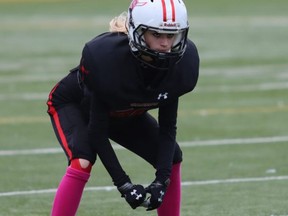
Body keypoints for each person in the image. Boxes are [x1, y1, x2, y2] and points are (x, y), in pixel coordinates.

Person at [46, 0, 199, 215]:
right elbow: (97, 132)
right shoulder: (107, 62)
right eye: (157, 35)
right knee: (83, 160)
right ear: (138, 32)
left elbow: (168, 128)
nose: (165, 44)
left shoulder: (180, 66)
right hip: (77, 105)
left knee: (171, 157)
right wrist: (123, 184)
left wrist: (161, 181)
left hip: (124, 111)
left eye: (171, 35)